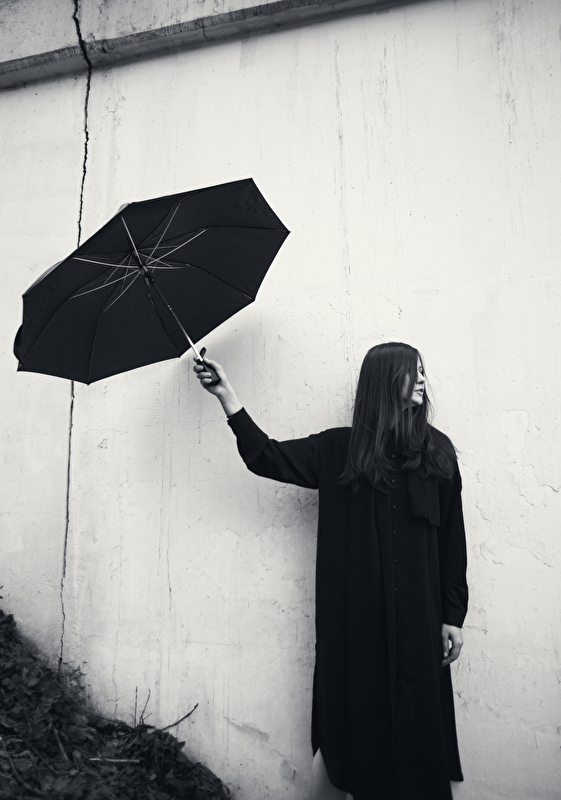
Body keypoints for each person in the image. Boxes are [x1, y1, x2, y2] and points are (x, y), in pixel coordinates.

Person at [193, 342, 468, 800]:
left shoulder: (436, 452)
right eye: (413, 371)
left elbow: (452, 539)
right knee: (358, 727)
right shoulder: (339, 449)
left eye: (423, 371)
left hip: (420, 625)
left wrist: (453, 615)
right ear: (384, 379)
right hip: (356, 629)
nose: (423, 379)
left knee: (421, 730)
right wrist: (227, 396)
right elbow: (266, 456)